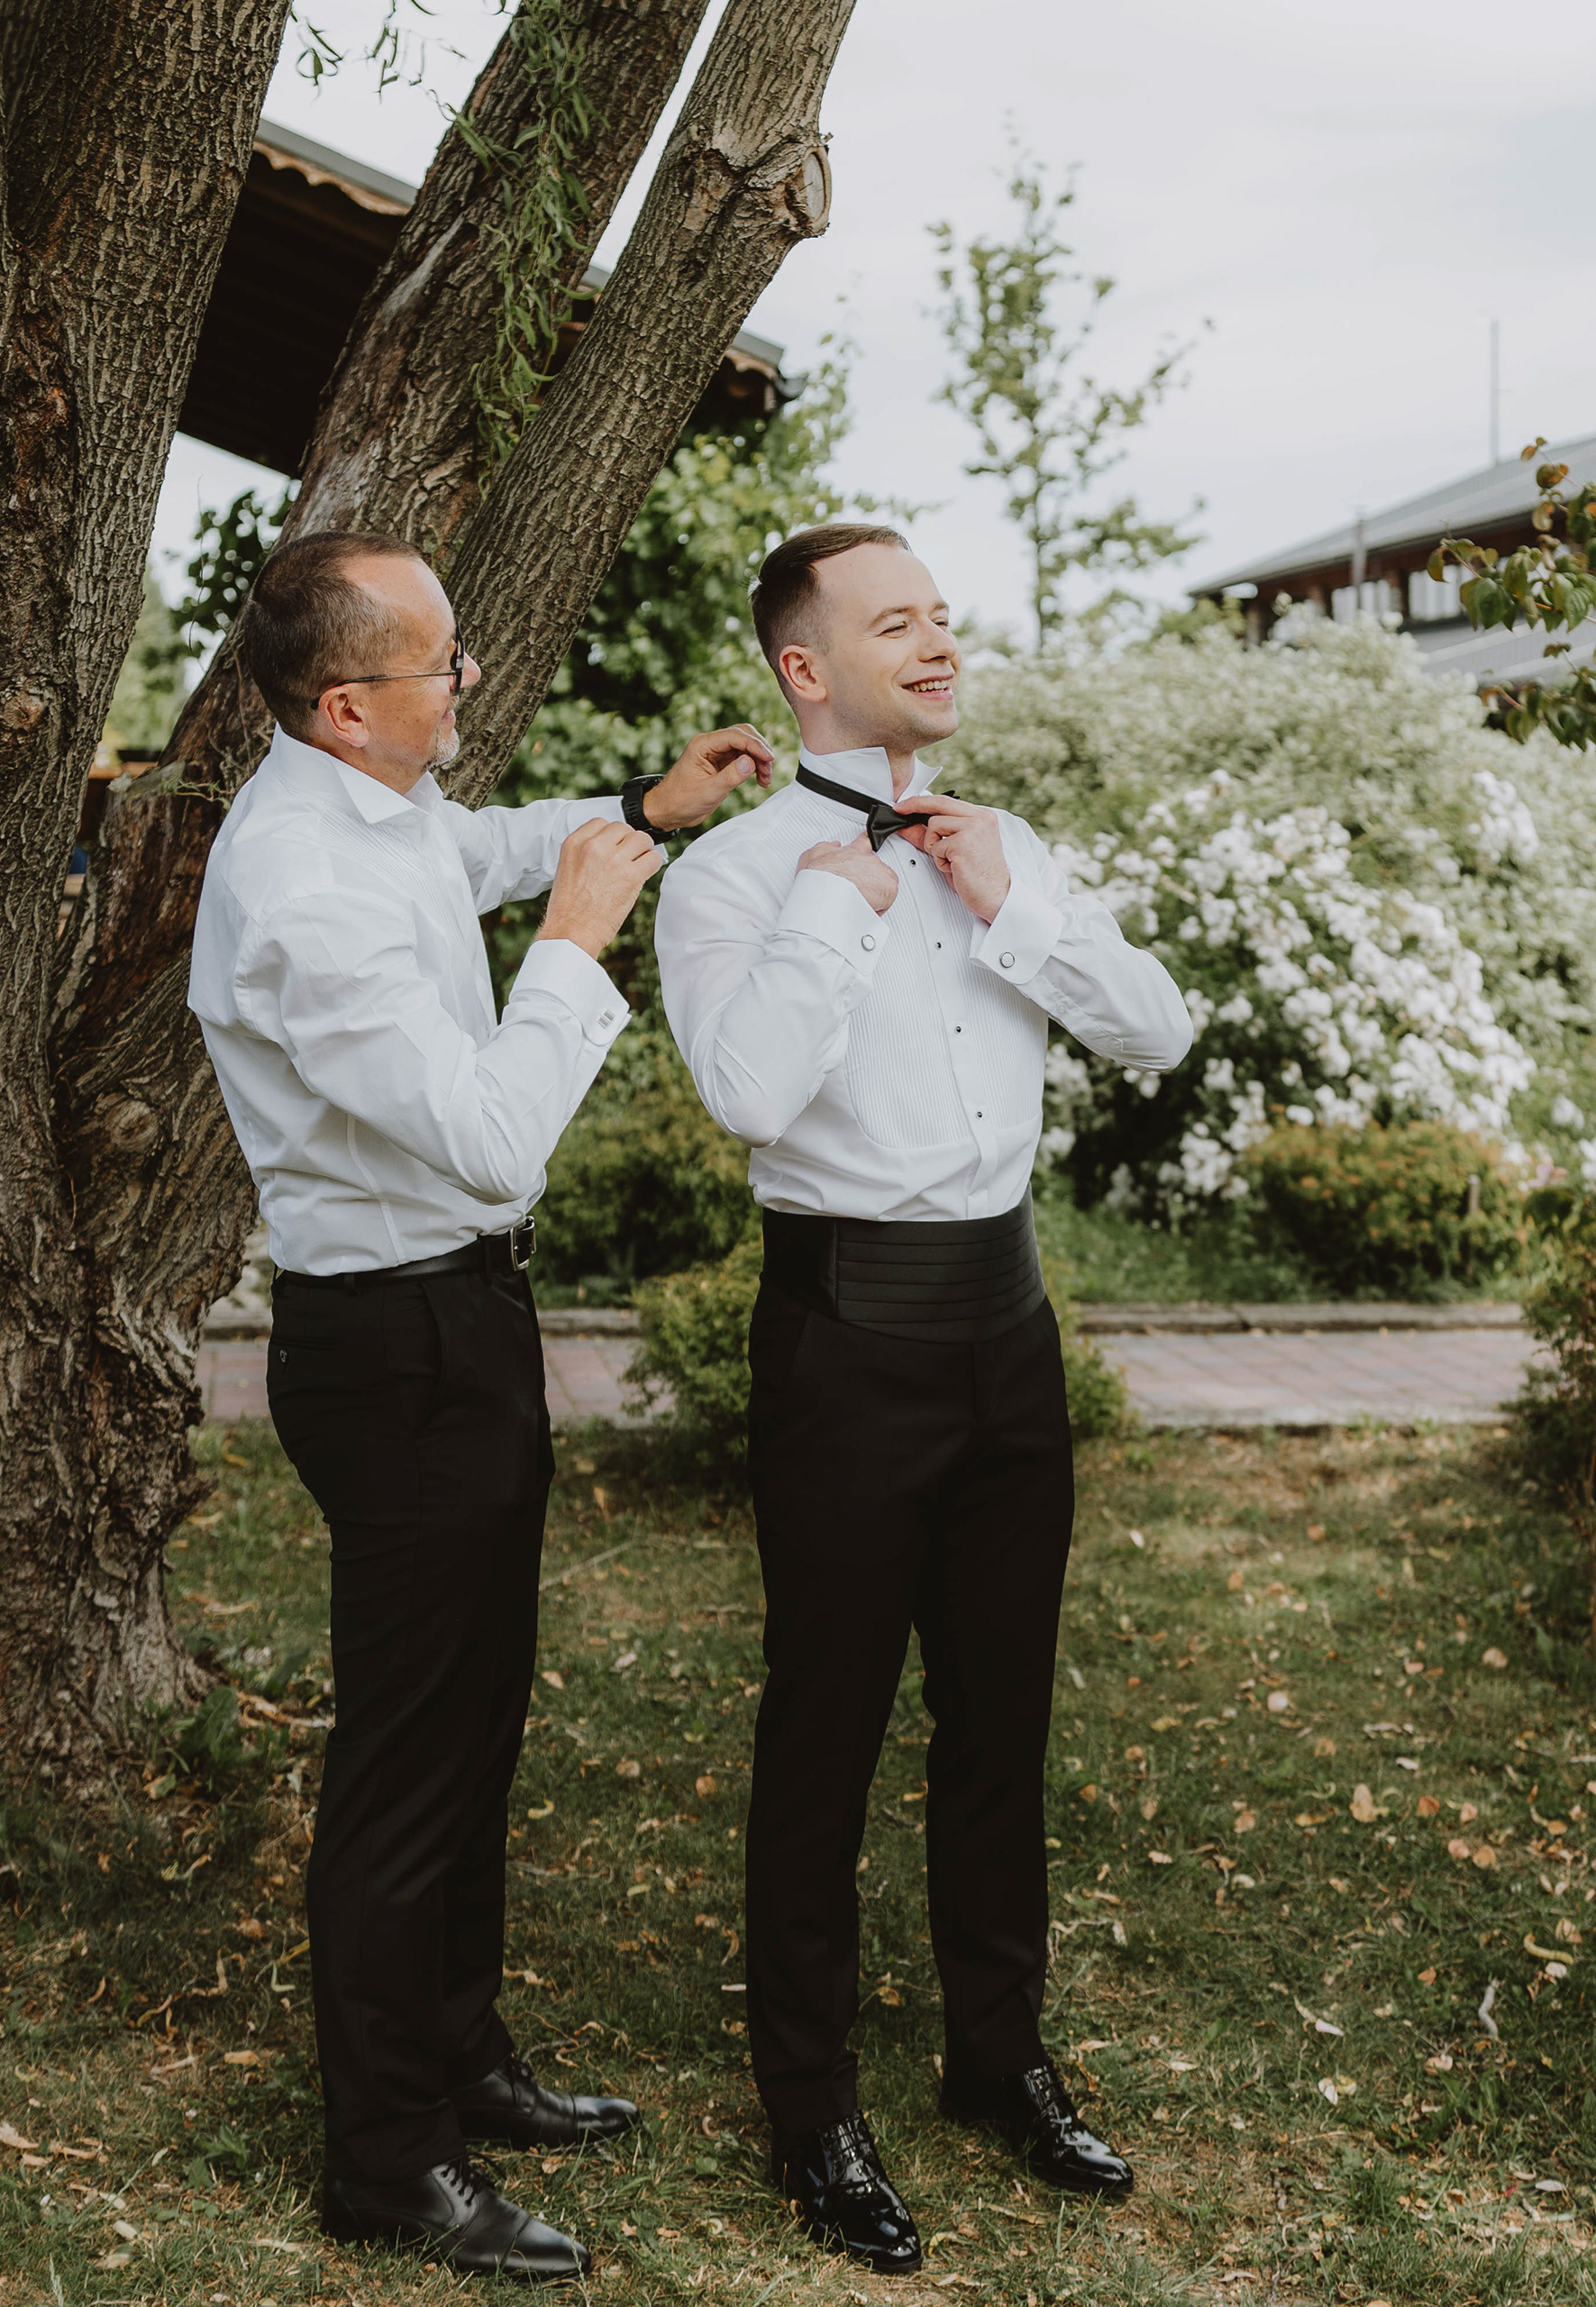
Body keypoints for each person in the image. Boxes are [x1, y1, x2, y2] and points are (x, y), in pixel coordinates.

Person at [187, 530, 774, 2280]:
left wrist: (642, 814)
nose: (467, 683)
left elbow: (478, 848)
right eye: (440, 664)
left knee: (477, 1726)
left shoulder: (378, 806)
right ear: (345, 703)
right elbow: (494, 1140)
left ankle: (460, 2054)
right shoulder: (300, 886)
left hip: (462, 1326)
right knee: (406, 1764)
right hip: (395, 1351)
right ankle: (387, 2157)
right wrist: (578, 945)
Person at [651, 524, 1193, 2274]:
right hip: (844, 1340)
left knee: (1000, 1719)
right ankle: (811, 2101)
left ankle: (997, 2053)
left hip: (1008, 1334)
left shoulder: (1005, 846)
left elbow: (1156, 1031)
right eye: (900, 624)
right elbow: (749, 1092)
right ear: (806, 669)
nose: (942, 644)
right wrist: (837, 903)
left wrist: (1014, 910)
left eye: (944, 618)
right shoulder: (731, 879)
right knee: (825, 1732)